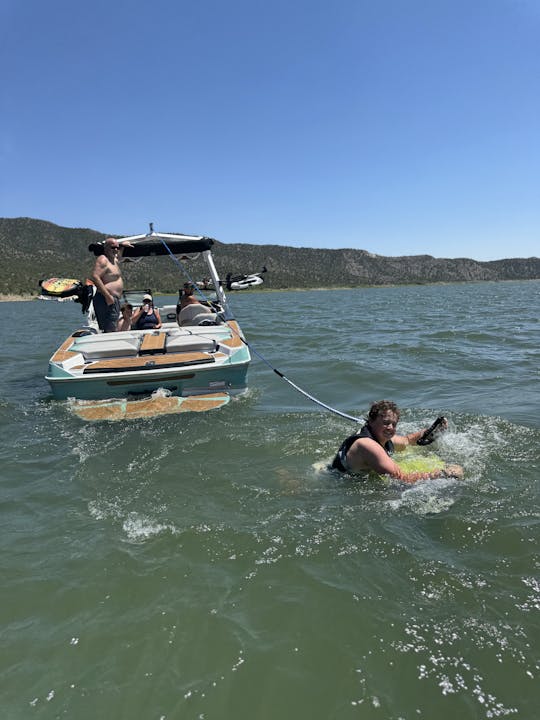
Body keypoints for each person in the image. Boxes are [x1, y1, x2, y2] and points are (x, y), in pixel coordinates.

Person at [331, 400, 463, 483]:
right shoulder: (368, 446)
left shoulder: (382, 436)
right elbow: (402, 479)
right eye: (386, 423)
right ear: (371, 421)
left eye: (394, 424)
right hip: (338, 482)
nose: (390, 428)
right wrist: (443, 474)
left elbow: (407, 440)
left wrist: (429, 432)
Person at [91, 237, 133, 332]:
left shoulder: (114, 260)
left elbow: (119, 256)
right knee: (110, 329)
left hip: (114, 300)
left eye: (117, 248)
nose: (116, 250)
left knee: (113, 326)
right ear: (106, 248)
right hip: (106, 299)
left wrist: (123, 246)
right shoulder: (103, 260)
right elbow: (95, 277)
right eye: (113, 247)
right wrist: (107, 296)